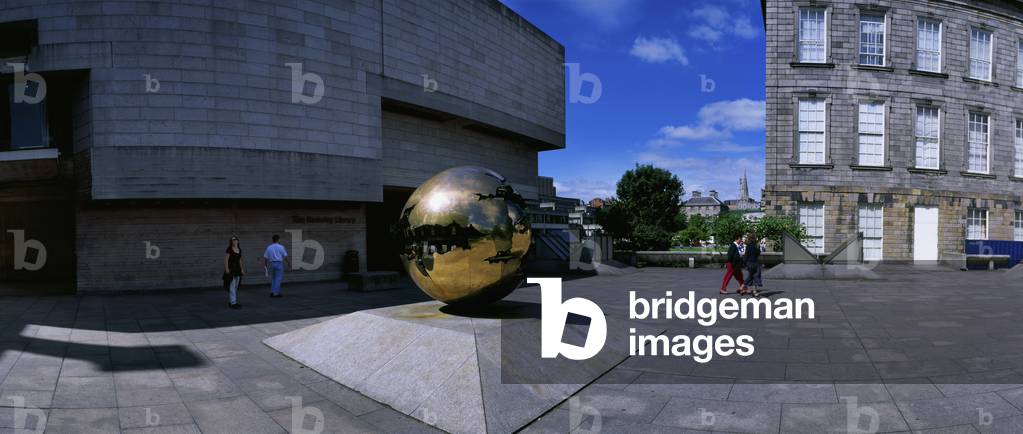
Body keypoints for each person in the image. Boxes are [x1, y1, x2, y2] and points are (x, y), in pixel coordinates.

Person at [224, 236, 245, 309]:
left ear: (238, 241)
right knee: (232, 285)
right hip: (231, 269)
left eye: (236, 240)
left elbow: (240, 260)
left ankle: (231, 301)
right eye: (233, 240)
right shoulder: (229, 249)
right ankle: (233, 302)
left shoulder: (239, 249)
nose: (235, 241)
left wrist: (242, 269)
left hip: (237, 269)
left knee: (236, 286)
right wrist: (227, 269)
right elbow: (226, 260)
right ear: (231, 242)